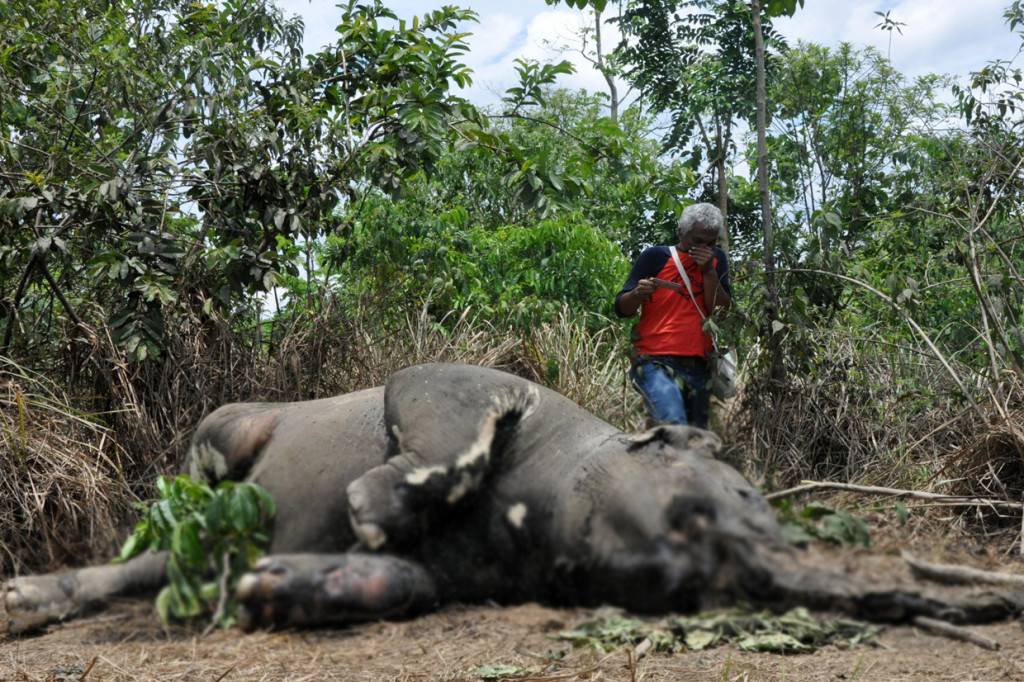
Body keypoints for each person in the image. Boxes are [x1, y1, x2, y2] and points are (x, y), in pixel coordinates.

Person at [615, 203, 732, 428]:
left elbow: (721, 313)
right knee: (673, 424)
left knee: (694, 439)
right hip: (654, 361)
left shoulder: (717, 260)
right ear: (681, 233)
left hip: (700, 366)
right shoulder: (655, 257)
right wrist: (638, 293)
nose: (704, 249)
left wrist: (709, 271)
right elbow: (621, 308)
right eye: (697, 241)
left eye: (710, 243)